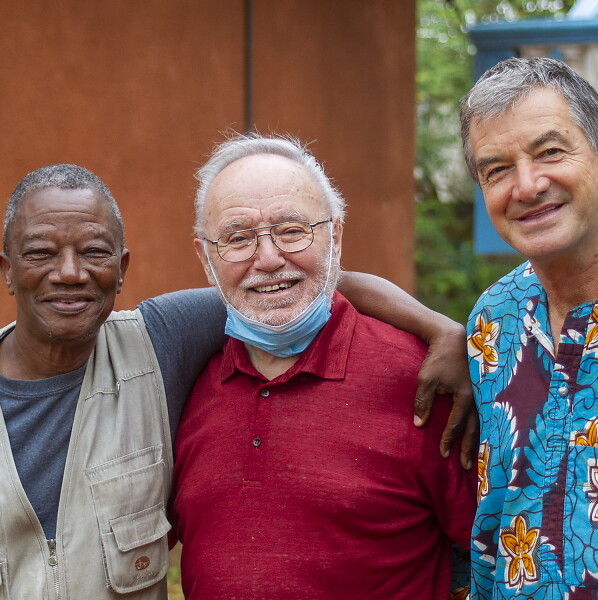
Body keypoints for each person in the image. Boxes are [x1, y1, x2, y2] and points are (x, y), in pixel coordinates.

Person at [0, 164, 472, 598]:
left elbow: (307, 279)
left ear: (121, 269)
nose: (69, 273)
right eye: (40, 253)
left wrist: (445, 331)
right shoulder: (185, 354)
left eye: (292, 231)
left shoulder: (158, 343)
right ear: (7, 270)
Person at [169, 134, 477, 599]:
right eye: (238, 238)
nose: (268, 259)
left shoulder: (426, 381)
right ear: (205, 257)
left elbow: (500, 556)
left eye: (292, 231)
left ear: (335, 236)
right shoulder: (181, 382)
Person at [461, 57, 598, 599]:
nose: (527, 185)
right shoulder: (493, 318)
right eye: (496, 170)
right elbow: (494, 519)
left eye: (550, 152)